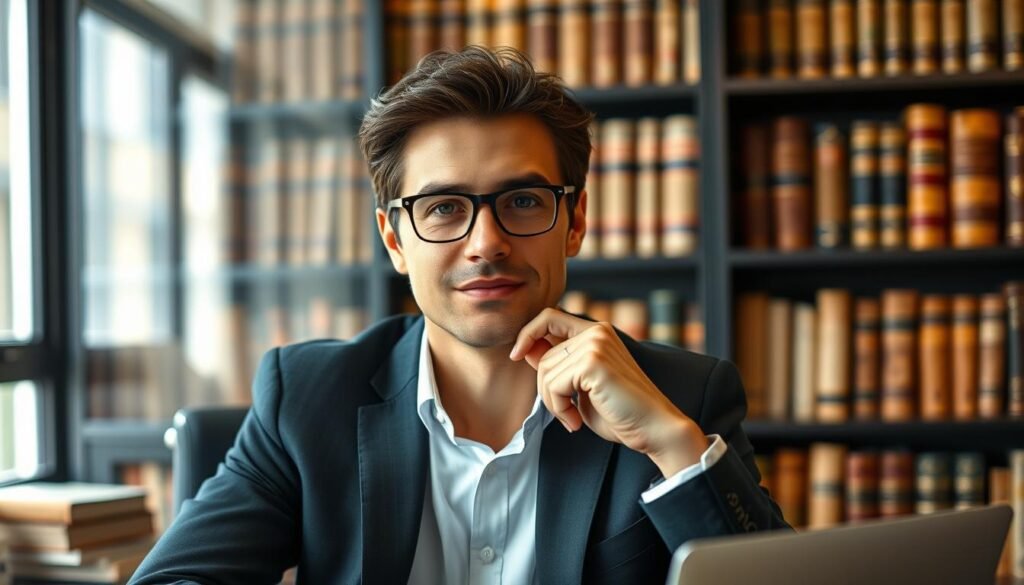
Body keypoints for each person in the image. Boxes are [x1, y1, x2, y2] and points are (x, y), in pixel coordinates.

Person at [129, 46, 790, 585]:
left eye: (524, 201)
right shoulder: (306, 400)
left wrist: (672, 446)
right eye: (444, 207)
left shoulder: (682, 399)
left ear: (575, 222)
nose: (486, 242)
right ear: (395, 240)